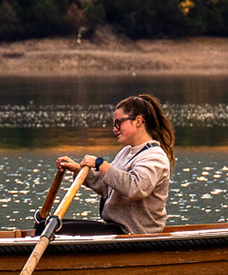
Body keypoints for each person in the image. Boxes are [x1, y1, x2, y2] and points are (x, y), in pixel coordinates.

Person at [48, 94, 175, 236]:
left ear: (138, 121)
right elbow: (107, 185)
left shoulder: (154, 157)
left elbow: (135, 188)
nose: (115, 129)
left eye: (118, 123)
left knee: (55, 231)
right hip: (114, 227)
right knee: (49, 226)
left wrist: (100, 164)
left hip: (134, 232)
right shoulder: (126, 152)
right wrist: (78, 169)